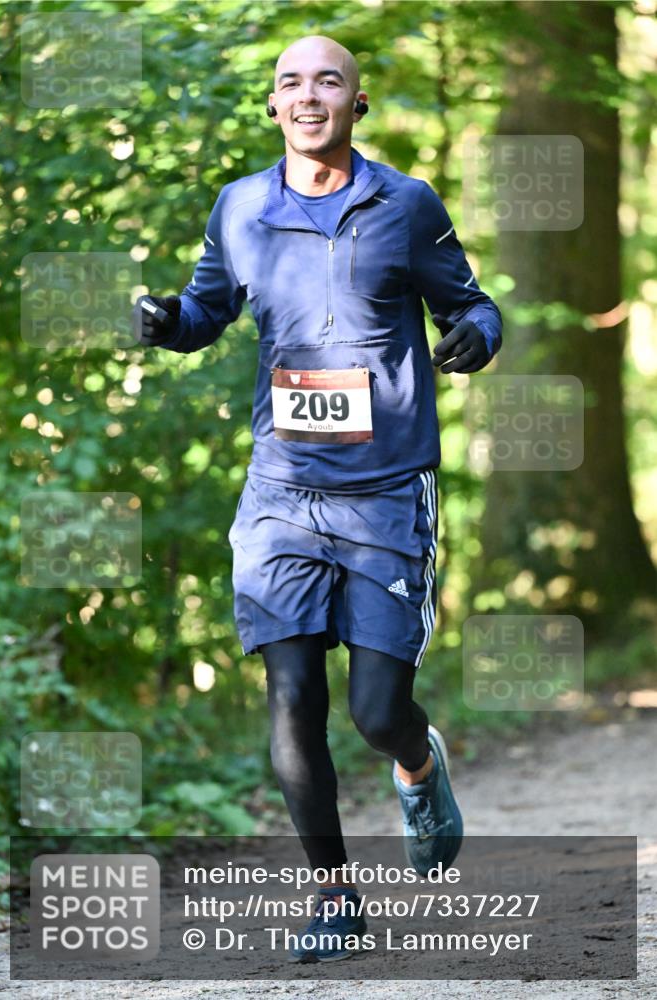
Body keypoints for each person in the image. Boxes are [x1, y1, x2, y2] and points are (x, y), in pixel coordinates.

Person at [134, 34, 502, 963]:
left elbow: (472, 303)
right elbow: (203, 310)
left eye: (327, 80)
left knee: (376, 711)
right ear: (272, 107)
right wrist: (161, 322)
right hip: (281, 492)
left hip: (384, 493)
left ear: (356, 102)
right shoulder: (241, 207)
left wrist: (475, 336)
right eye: (290, 82)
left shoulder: (405, 204)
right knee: (291, 696)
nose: (309, 95)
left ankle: (419, 772)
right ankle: (334, 895)